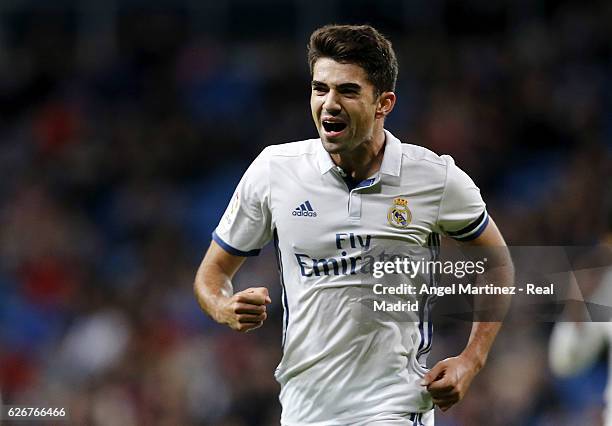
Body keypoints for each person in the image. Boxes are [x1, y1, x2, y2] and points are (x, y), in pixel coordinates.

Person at [194, 24, 514, 425]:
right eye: (320, 88)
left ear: (384, 103)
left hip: (394, 407)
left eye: (347, 91)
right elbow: (211, 274)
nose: (329, 103)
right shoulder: (274, 172)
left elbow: (496, 264)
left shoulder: (435, 179)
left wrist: (472, 360)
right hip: (304, 410)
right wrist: (224, 307)